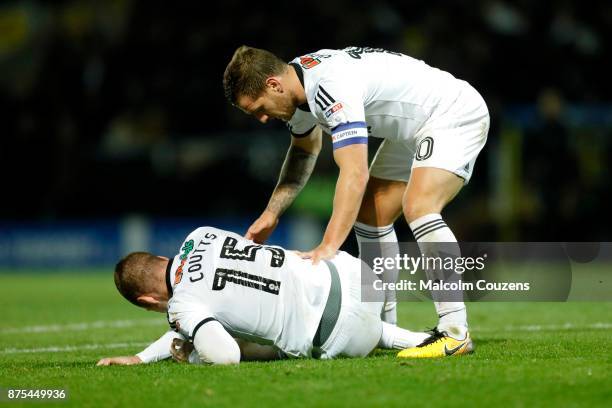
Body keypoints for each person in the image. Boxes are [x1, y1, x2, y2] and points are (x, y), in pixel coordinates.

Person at [223, 45, 488, 358]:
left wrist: (329, 245)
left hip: (451, 112)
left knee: (418, 205)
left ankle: (455, 332)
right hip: (413, 128)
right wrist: (271, 213)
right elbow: (305, 150)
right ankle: (383, 328)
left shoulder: (328, 86)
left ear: (274, 85)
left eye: (259, 108)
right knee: (370, 215)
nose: (263, 118)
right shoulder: (298, 84)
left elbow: (355, 172)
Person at [97, 226, 434, 366]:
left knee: (241, 341)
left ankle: (391, 336)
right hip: (359, 276)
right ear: (159, 258)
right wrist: (143, 357)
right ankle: (426, 339)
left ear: (147, 301)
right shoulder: (199, 235)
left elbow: (226, 356)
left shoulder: (183, 306)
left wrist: (192, 355)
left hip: (341, 336)